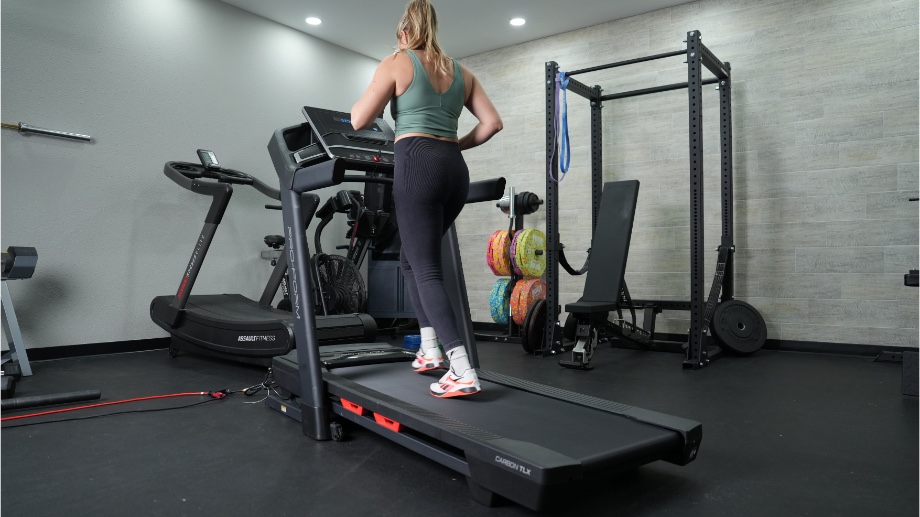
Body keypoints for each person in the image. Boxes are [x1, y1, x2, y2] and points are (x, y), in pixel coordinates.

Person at [351, 0, 502, 398]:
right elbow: (492, 124)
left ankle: (462, 368)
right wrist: (453, 147)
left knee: (427, 269)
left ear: (403, 32)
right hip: (454, 168)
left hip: (417, 164)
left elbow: (358, 120)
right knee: (412, 262)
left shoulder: (397, 61)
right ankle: (430, 351)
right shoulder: (461, 72)